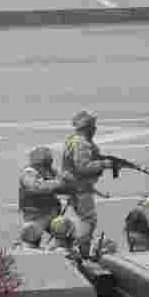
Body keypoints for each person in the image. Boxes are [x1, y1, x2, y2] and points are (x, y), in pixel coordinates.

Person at [62, 110, 115, 257]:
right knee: (88, 221)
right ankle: (81, 251)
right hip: (80, 189)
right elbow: (83, 167)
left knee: (85, 219)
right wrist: (104, 164)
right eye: (93, 125)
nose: (95, 128)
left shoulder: (73, 139)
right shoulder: (82, 143)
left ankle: (80, 249)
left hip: (74, 186)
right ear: (87, 127)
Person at [18, 146, 75, 250]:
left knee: (63, 227)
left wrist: (71, 186)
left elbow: (63, 186)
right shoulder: (28, 174)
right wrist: (59, 183)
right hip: (34, 216)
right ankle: (28, 252)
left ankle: (61, 251)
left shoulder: (50, 172)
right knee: (30, 233)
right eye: (43, 163)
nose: (45, 167)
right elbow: (38, 187)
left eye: (47, 163)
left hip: (51, 214)